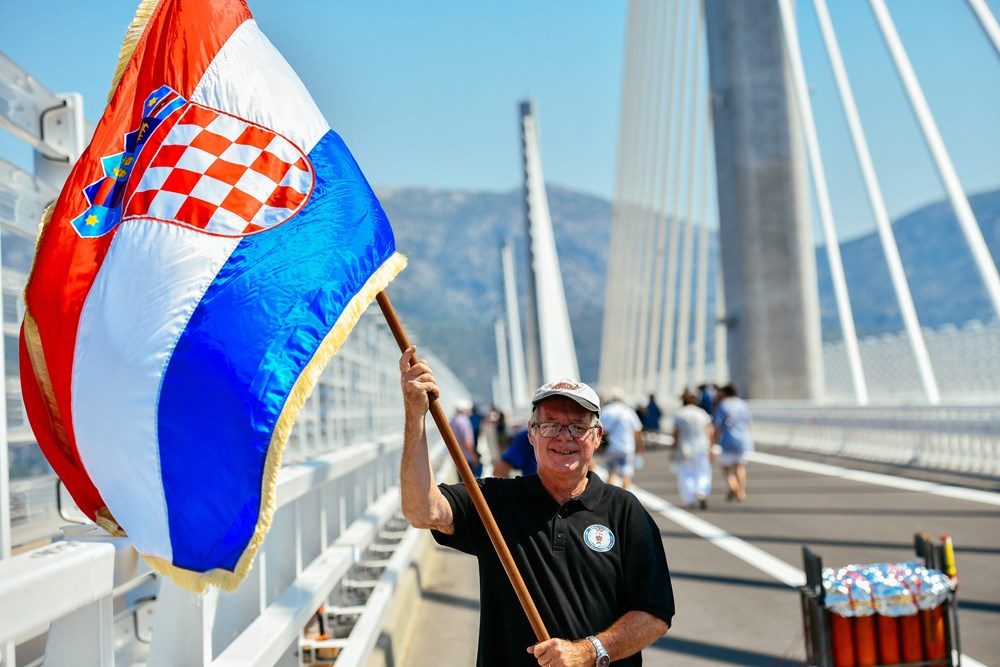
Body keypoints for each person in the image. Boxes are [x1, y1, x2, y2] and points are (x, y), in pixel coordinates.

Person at [399, 347, 674, 666]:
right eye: (551, 424)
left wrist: (587, 652)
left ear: (596, 437)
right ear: (531, 434)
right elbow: (421, 510)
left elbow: (655, 615)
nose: (564, 436)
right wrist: (414, 412)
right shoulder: (493, 501)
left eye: (578, 426)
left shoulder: (625, 511)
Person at [670, 390, 714, 510]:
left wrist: (673, 449)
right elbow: (710, 431)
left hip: (685, 448)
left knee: (686, 472)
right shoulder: (702, 413)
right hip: (702, 446)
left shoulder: (680, 414)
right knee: (703, 470)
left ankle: (690, 497)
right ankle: (701, 492)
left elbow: (676, 433)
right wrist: (712, 448)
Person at [712, 383, 754, 502]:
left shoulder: (722, 405)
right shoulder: (743, 404)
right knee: (739, 465)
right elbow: (748, 423)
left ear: (724, 393)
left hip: (728, 439)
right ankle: (741, 491)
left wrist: (713, 440)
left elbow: (717, 426)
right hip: (743, 439)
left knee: (725, 466)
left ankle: (733, 486)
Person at [600, 389, 644, 489]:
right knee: (626, 474)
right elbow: (637, 431)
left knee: (610, 473)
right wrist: (640, 448)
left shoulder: (606, 410)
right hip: (627, 447)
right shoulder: (628, 411)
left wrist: (599, 447)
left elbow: (600, 430)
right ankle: (624, 498)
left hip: (610, 447)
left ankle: (609, 500)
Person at [450, 398, 482, 477]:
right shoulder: (463, 421)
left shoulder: (453, 420)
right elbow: (467, 441)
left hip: (457, 456)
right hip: (467, 457)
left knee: (461, 481)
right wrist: (474, 456)